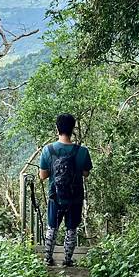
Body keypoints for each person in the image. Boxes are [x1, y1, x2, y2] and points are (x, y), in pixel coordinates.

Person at [39, 113, 92, 266]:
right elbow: (86, 173)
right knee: (71, 229)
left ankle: (47, 258)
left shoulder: (48, 150)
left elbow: (43, 176)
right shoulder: (82, 151)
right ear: (73, 129)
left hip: (55, 196)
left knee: (52, 228)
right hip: (75, 198)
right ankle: (67, 260)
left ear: (57, 129)